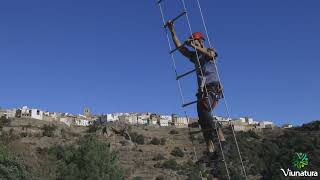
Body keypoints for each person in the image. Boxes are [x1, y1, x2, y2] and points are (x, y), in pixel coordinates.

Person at [167, 20, 226, 153]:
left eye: (196, 41)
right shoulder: (195, 56)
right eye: (193, 41)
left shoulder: (208, 51)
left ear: (201, 42)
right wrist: (172, 31)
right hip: (202, 90)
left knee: (205, 109)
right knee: (203, 120)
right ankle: (210, 150)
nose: (194, 43)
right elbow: (180, 48)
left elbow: (211, 55)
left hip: (212, 87)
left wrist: (194, 45)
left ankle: (222, 141)